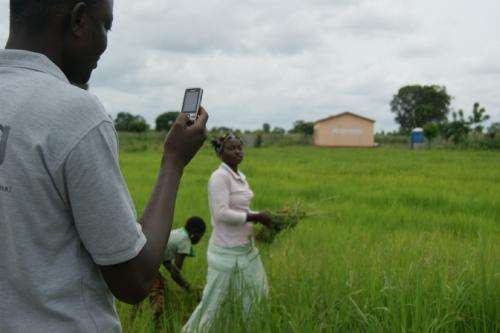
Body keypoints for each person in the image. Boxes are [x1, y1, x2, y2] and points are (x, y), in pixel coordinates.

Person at [0, 1, 208, 332]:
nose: (105, 43)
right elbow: (134, 280)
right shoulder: (73, 113)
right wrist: (174, 160)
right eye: (106, 26)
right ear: (79, 20)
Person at [182, 134, 272, 332]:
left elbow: (242, 208)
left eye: (240, 147)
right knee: (214, 303)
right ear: (220, 154)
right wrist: (255, 218)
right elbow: (220, 213)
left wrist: (263, 217)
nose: (238, 151)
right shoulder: (219, 178)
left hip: (246, 249)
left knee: (257, 294)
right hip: (226, 252)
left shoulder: (240, 177)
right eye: (232, 148)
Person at [139, 216, 206, 329]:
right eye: (201, 236)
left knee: (161, 285)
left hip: (142, 258)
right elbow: (175, 274)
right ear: (195, 234)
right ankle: (156, 325)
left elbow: (167, 263)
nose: (200, 239)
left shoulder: (178, 233)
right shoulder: (185, 241)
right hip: (146, 263)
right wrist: (191, 290)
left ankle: (142, 317)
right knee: (158, 290)